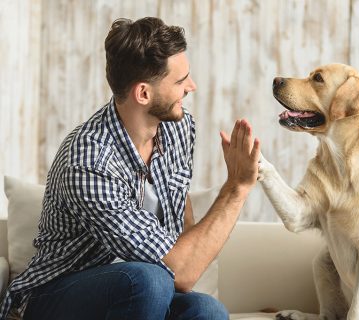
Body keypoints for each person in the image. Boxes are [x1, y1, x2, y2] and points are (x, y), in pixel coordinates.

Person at [0, 17, 260, 320]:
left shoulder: (178, 127)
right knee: (149, 280)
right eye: (180, 81)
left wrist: (185, 260)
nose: (192, 87)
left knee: (207, 310)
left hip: (144, 292)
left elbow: (180, 209)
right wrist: (236, 187)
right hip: (57, 296)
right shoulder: (88, 161)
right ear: (144, 94)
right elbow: (182, 272)